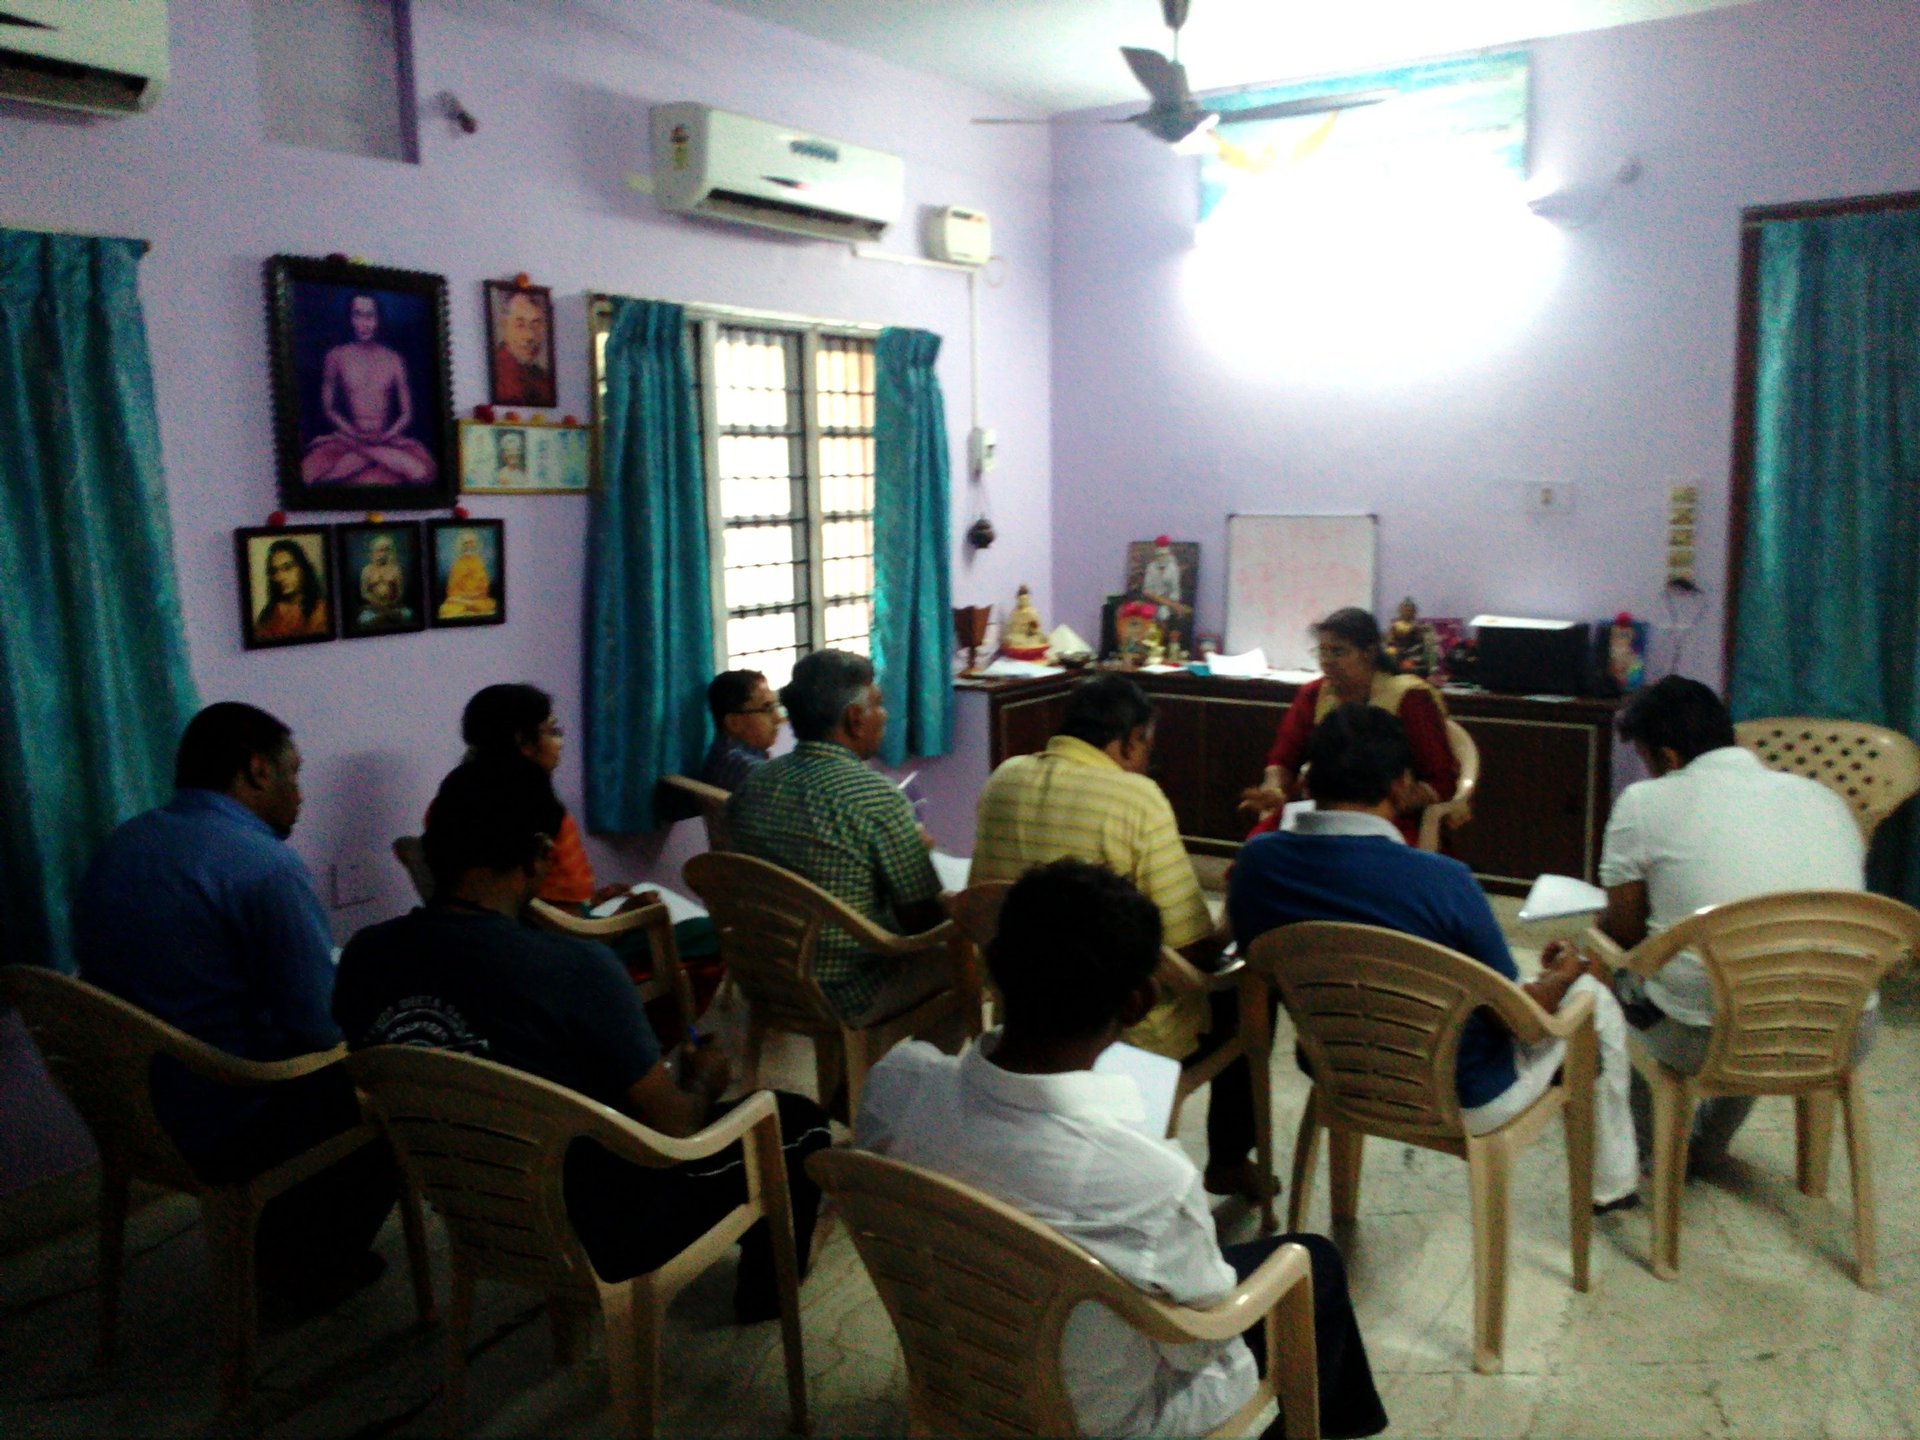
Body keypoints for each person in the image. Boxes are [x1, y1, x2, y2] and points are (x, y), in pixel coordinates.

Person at [856, 860, 1387, 1440]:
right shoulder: (1148, 1178)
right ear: (1137, 1003)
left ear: (992, 968)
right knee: (1313, 1264)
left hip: (960, 1369)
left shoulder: (899, 1085)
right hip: (1104, 1419)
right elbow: (1202, 1332)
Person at [335, 756, 829, 1323]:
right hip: (603, 1225)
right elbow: (672, 1126)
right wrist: (703, 1080)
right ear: (542, 854)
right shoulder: (575, 968)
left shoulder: (365, 957)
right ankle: (765, 1305)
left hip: (473, 1208)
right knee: (796, 1121)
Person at [1229, 704, 1640, 1212]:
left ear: (1309, 780)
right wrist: (1568, 972)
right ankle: (1614, 1186)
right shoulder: (1443, 881)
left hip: (1337, 1072)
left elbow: (1254, 963)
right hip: (1462, 1094)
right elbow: (1518, 1018)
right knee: (1593, 997)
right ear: (1401, 786)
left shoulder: (1257, 864)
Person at [73, 703, 397, 1299]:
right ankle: (307, 1270)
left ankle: (282, 1240)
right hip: (226, 1116)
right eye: (293, 774)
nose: (301, 794)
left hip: (131, 1108)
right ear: (256, 772)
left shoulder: (124, 843)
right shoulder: (264, 867)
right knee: (407, 1093)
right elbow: (317, 1029)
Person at [968, 675, 1265, 1200]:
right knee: (1245, 999)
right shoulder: (1136, 797)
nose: (1148, 759)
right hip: (1115, 1026)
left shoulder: (1003, 777)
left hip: (1022, 1007)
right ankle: (1228, 1160)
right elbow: (1192, 948)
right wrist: (1231, 916)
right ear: (1130, 741)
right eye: (1147, 746)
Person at [1597, 676, 1867, 1165]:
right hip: (1842, 1029)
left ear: (1669, 757)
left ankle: (1648, 1146)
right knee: (1749, 978)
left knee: (1610, 971)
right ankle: (1708, 1144)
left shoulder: (1643, 802)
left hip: (1709, 1037)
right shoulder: (1822, 798)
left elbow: (1626, 937)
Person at [728, 649, 949, 1024]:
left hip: (765, 975)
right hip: (847, 989)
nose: (885, 715)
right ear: (855, 719)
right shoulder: (875, 799)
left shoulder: (753, 785)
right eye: (878, 705)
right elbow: (922, 920)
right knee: (963, 960)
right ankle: (917, 1075)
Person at [1241, 606, 1458, 845]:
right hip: (1321, 807)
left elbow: (1440, 779)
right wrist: (1274, 789)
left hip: (1387, 814)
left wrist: (1391, 801)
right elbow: (1283, 759)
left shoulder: (1409, 697)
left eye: (1338, 652)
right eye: (1322, 652)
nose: (1327, 662)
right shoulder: (1313, 694)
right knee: (1262, 845)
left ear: (1369, 652)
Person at [449, 683, 629, 914]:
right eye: (553, 732)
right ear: (523, 742)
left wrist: (592, 901)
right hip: (558, 941)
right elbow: (571, 927)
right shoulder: (541, 812)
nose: (561, 743)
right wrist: (628, 911)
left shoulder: (450, 801)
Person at [302, 292, 436, 488]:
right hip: (347, 437)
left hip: (387, 438)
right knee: (306, 474)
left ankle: (366, 453)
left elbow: (406, 413)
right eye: (357, 315)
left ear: (378, 318)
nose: (364, 323)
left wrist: (385, 436)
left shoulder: (393, 359)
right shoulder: (336, 355)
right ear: (349, 318)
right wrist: (353, 435)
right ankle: (367, 453)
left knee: (421, 473)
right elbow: (328, 407)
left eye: (369, 316)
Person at [702, 669, 783, 791]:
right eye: (767, 709)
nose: (778, 719)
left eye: (776, 707)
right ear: (734, 723)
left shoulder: (724, 755)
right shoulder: (743, 768)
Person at [254, 536, 330, 640]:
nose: (280, 577)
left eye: (287, 568)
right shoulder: (270, 614)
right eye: (274, 571)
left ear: (302, 568)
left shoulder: (320, 611)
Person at [491, 288, 554, 407]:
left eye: (536, 325)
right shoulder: (498, 373)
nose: (530, 336)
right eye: (520, 325)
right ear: (504, 325)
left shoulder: (542, 379)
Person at [437, 529, 498, 619]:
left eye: (471, 542)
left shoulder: (479, 562)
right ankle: (469, 605)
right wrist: (463, 597)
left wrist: (474, 595)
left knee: (490, 604)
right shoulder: (458, 564)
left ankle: (469, 605)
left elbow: (484, 586)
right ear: (461, 546)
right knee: (446, 609)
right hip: (459, 599)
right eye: (466, 543)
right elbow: (452, 589)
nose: (469, 545)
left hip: (477, 599)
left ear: (475, 545)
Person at [357, 532, 414, 628]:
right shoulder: (366, 570)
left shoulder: (396, 569)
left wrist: (391, 604)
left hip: (393, 605)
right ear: (373, 552)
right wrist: (378, 605)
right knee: (363, 619)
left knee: (408, 614)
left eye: (386, 550)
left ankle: (386, 615)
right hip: (374, 607)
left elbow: (400, 591)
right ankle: (383, 616)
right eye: (379, 550)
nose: (382, 554)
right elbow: (364, 592)